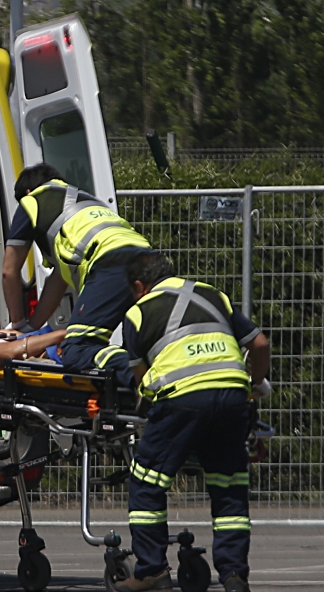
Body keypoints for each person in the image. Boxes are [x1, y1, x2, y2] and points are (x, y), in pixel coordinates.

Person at [115, 252, 271, 592]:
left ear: (139, 286)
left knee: (147, 481)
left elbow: (142, 377)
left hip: (181, 397)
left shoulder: (137, 312)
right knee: (229, 487)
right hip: (232, 395)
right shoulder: (213, 294)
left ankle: (152, 571)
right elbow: (259, 344)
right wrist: (254, 382)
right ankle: (233, 576)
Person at [1, 164, 153, 388]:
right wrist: (31, 327)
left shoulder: (32, 201)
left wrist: (17, 323)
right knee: (138, 342)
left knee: (78, 349)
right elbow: (59, 278)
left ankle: (148, 380)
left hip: (110, 262)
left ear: (26, 193)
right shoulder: (88, 201)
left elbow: (9, 271)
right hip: (150, 261)